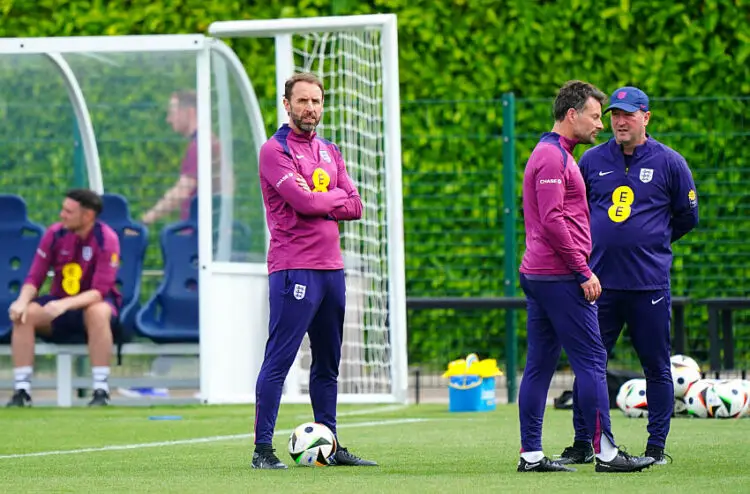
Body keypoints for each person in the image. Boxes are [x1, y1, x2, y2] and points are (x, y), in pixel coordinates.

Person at [517, 80, 655, 473]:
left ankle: (531, 456)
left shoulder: (558, 154)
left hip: (543, 274)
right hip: (559, 276)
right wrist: (582, 269)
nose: (600, 124)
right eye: (595, 116)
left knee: (540, 365)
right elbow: (552, 219)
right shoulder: (551, 157)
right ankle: (607, 454)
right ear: (572, 114)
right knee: (593, 360)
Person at [557, 87, 699, 466]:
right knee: (590, 365)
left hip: (649, 285)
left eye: (628, 115)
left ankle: (656, 448)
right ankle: (583, 443)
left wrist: (651, 242)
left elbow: (687, 217)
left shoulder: (670, 163)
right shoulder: (591, 160)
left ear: (646, 117)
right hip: (598, 285)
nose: (620, 121)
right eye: (615, 114)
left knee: (656, 364)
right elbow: (576, 211)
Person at [251, 72, 374, 470]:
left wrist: (323, 198)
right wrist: (328, 198)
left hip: (331, 271)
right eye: (302, 101)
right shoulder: (274, 150)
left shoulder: (329, 150)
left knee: (328, 363)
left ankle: (331, 445)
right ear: (286, 105)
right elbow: (302, 204)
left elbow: (355, 206)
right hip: (294, 269)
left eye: (316, 102)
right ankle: (262, 451)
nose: (310, 109)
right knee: (280, 360)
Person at [6, 189, 121, 407]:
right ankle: (22, 392)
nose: (62, 215)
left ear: (87, 216)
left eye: (68, 211)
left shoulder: (107, 239)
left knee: (98, 311)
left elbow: (99, 291)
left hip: (90, 309)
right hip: (59, 308)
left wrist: (64, 304)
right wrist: (21, 301)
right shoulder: (54, 234)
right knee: (24, 314)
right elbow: (35, 277)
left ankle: (101, 390)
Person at [141, 90, 223, 225]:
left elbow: (181, 191)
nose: (169, 119)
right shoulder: (210, 141)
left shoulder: (200, 146)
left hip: (198, 234)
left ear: (189, 112)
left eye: (172, 113)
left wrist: (145, 220)